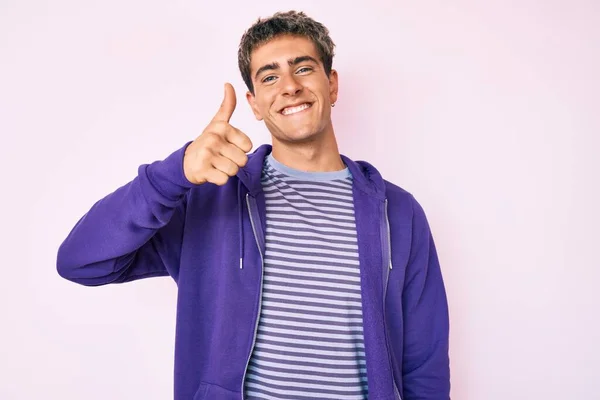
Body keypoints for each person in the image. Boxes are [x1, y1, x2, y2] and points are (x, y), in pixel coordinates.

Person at [57, 10, 450, 400]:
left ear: (332, 85)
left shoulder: (396, 211)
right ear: (255, 103)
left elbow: (424, 362)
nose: (290, 86)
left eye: (304, 69)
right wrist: (173, 174)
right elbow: (81, 261)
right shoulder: (210, 199)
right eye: (270, 77)